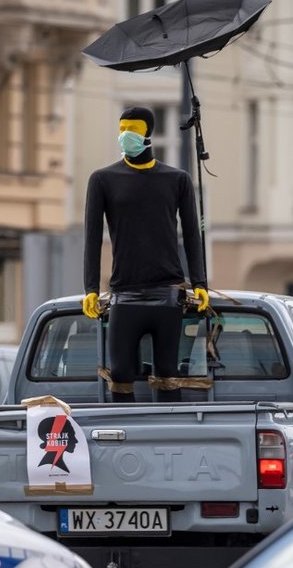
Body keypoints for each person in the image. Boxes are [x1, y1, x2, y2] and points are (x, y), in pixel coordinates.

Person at [82, 106, 209, 403]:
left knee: (167, 371)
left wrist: (199, 282)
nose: (126, 135)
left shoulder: (176, 180)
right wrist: (90, 288)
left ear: (148, 134)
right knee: (121, 372)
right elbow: (90, 236)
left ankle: (167, 436)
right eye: (122, 128)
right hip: (124, 293)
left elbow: (192, 235)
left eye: (134, 129)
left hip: (168, 293)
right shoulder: (103, 179)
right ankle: (125, 436)